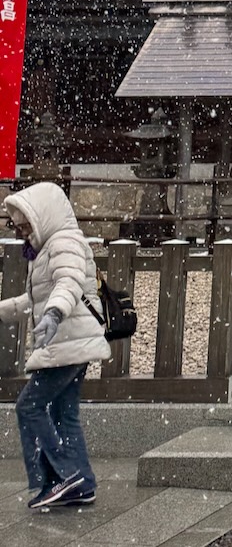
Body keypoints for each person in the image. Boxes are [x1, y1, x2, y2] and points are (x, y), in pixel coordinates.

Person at [0, 182, 111, 510]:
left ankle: (67, 477)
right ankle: (81, 483)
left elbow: (69, 283)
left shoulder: (63, 241)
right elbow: (35, 299)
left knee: (29, 406)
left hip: (69, 340)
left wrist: (54, 312)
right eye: (16, 227)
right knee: (64, 413)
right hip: (70, 340)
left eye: (25, 226)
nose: (21, 233)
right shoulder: (50, 245)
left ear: (42, 217)